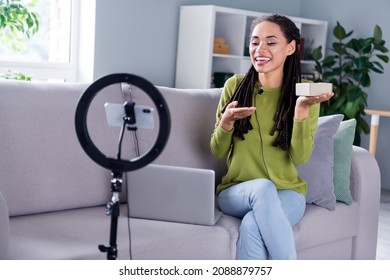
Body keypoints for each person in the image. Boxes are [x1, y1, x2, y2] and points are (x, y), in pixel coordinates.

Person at [210, 14, 333, 260]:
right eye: (255, 42)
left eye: (270, 42)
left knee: (252, 226)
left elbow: (300, 157)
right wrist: (226, 123)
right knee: (263, 188)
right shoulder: (235, 86)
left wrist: (300, 113)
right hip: (236, 192)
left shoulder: (303, 95)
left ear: (290, 48)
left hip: (288, 193)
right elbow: (217, 151)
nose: (260, 49)